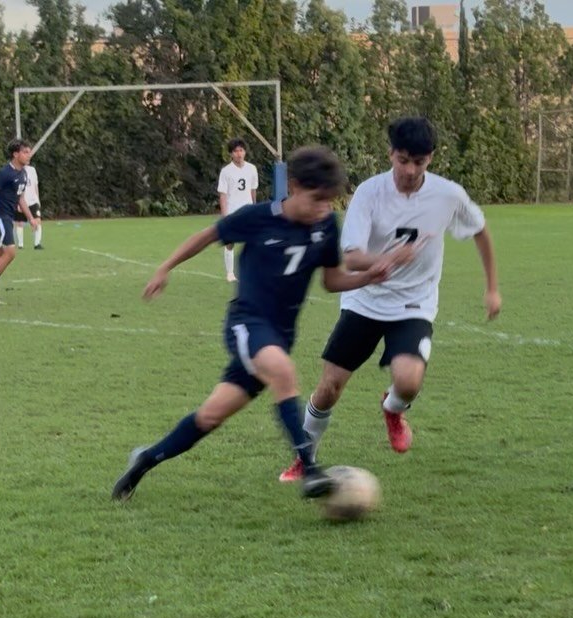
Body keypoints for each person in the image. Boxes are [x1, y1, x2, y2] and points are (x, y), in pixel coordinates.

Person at [111, 146, 391, 505]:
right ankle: (310, 468)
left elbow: (332, 281)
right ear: (292, 185)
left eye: (330, 201)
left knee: (210, 416)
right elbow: (208, 235)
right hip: (246, 325)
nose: (323, 208)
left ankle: (144, 460)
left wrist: (369, 276)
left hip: (280, 336)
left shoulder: (324, 226)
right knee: (283, 371)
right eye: (316, 199)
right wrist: (165, 268)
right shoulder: (258, 218)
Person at [279, 117, 503, 482]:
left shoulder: (448, 195)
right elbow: (350, 255)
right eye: (403, 160)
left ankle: (393, 409)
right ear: (390, 154)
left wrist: (492, 287)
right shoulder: (370, 192)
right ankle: (305, 457)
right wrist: (385, 260)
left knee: (409, 379)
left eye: (420, 162)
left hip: (414, 303)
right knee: (330, 386)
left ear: (431, 158)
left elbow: (480, 231)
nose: (410, 170)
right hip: (364, 300)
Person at [0, 139, 39, 305]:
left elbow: (20, 198)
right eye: (25, 152)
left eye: (29, 152)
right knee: (11, 252)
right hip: (0, 217)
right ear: (15, 154)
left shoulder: (23, 173)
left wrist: (31, 218)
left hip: (7, 217)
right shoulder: (6, 172)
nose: (29, 155)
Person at [217, 138, 258, 282]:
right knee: (230, 242)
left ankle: (252, 271)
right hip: (232, 210)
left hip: (247, 209)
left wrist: (255, 207)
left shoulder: (252, 169)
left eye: (241, 150)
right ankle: (230, 273)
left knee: (253, 241)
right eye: (236, 151)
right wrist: (224, 214)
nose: (239, 154)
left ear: (245, 152)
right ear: (231, 154)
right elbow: (223, 194)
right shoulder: (226, 171)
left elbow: (253, 190)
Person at [14, 162, 43, 250]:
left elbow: (35, 185)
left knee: (37, 221)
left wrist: (37, 200)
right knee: (20, 223)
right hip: (21, 201)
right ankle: (20, 244)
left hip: (33, 201)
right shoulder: (16, 171)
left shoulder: (32, 170)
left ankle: (37, 244)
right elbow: (15, 188)